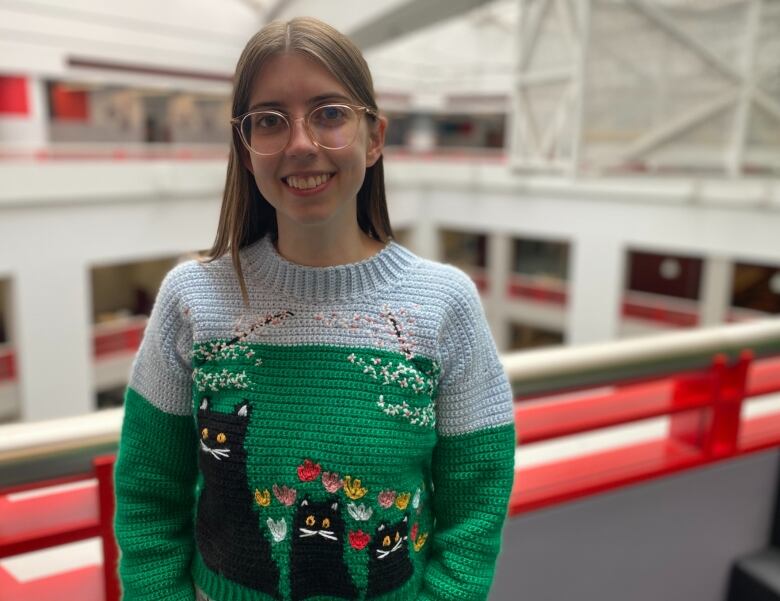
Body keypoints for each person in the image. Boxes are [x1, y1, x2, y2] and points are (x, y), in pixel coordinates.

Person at [113, 16, 516, 601]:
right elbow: (149, 495)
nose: (301, 144)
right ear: (246, 147)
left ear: (374, 137)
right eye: (271, 121)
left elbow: (475, 506)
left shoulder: (443, 306)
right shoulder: (191, 298)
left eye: (328, 113)